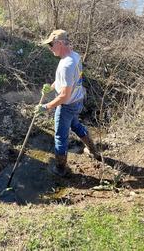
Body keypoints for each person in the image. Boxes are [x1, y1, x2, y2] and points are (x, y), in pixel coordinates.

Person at [35, 30, 98, 177]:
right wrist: (51, 86)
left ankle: (60, 168)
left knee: (60, 136)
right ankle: (93, 150)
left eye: (51, 44)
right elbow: (68, 81)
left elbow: (64, 95)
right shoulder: (75, 56)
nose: (50, 48)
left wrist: (46, 107)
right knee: (75, 124)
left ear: (60, 43)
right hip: (77, 101)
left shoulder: (65, 65)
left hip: (67, 106)